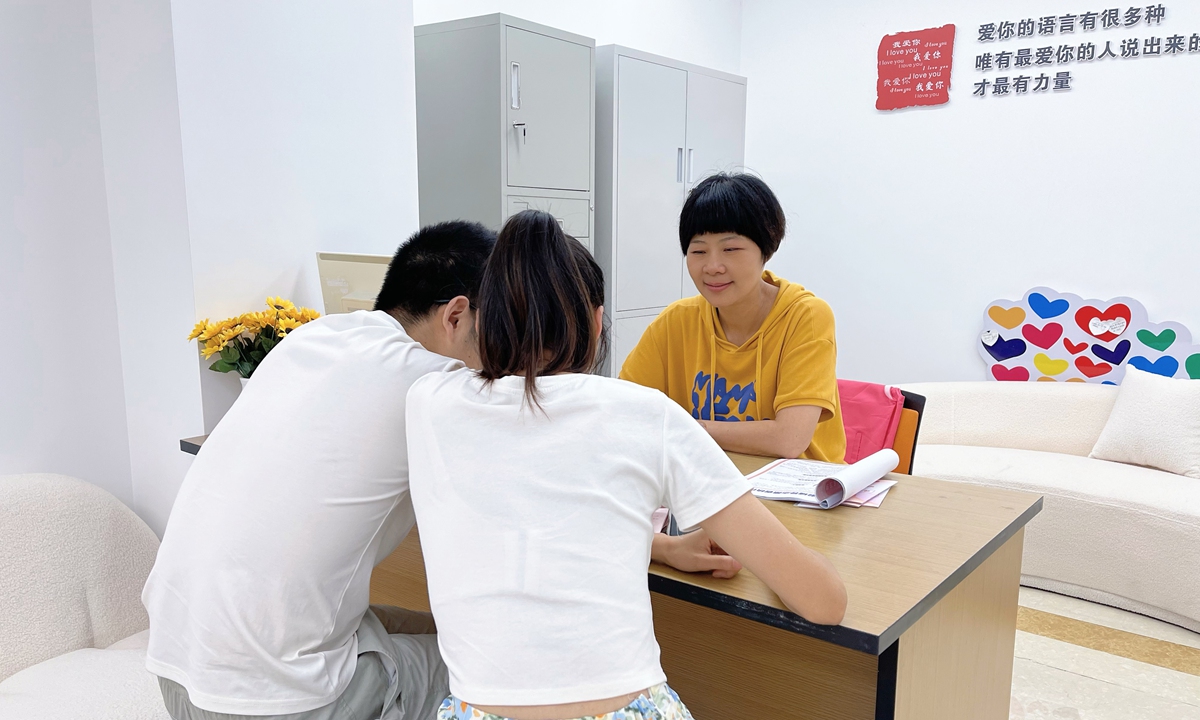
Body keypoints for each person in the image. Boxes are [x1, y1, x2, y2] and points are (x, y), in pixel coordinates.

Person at [143, 220, 734, 720]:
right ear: (458, 317)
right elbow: (558, 496)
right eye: (502, 322)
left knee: (422, 626)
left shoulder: (313, 338)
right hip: (273, 700)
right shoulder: (435, 387)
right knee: (493, 664)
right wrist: (660, 544)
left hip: (173, 665)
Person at [406, 210, 847, 720]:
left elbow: (538, 512)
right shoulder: (650, 415)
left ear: (474, 319)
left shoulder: (427, 402)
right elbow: (823, 603)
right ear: (596, 323)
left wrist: (659, 547)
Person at [620, 173, 847, 462]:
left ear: (766, 249)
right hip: (709, 485)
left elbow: (790, 439)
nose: (713, 266)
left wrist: (685, 428)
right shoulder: (676, 322)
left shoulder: (805, 317)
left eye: (731, 249)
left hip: (802, 496)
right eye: (698, 250)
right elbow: (626, 412)